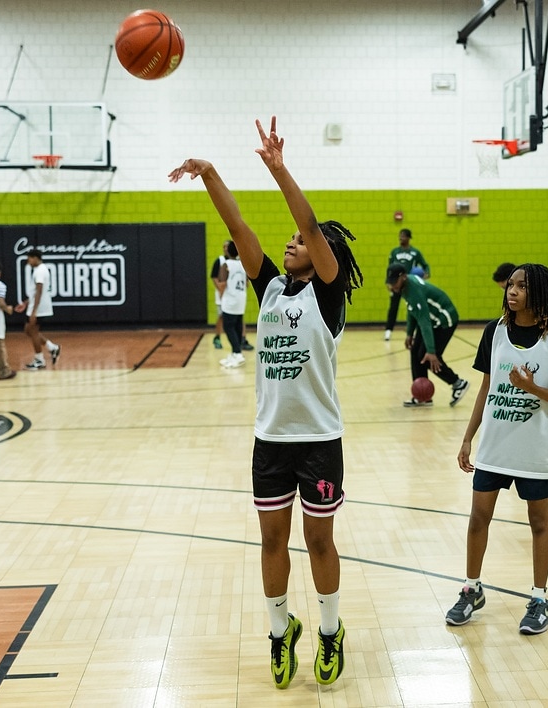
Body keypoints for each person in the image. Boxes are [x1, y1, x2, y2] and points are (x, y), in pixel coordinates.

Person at [168, 117, 363, 689]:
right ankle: (280, 634)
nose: (291, 241)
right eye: (294, 241)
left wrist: (280, 171)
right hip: (271, 439)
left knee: (319, 539)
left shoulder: (328, 293)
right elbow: (241, 228)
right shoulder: (273, 287)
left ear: (322, 252)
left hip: (320, 439)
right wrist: (211, 175)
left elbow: (305, 221)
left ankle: (331, 629)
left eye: (301, 241)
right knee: (272, 539)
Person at [447, 263, 548, 635]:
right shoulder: (496, 332)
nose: (512, 291)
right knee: (478, 518)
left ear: (538, 293)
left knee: (539, 523)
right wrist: (468, 437)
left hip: (534, 451)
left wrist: (532, 388)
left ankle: (539, 598)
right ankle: (471, 588)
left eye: (521, 286)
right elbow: (487, 387)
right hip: (495, 446)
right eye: (510, 285)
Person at [389, 264, 469, 407]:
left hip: (444, 320)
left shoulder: (414, 291)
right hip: (431, 321)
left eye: (395, 282)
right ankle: (422, 396)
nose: (392, 285)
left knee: (427, 358)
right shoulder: (405, 286)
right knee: (416, 352)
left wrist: (431, 351)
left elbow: (425, 322)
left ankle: (458, 383)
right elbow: (412, 310)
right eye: (390, 282)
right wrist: (409, 333)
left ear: (403, 277)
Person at [384, 228, 430, 341]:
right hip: (396, 284)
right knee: (393, 308)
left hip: (409, 285)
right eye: (400, 236)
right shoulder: (395, 252)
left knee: (413, 307)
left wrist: (426, 273)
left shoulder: (415, 252)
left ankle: (414, 330)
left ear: (409, 238)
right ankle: (388, 331)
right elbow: (389, 268)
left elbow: (425, 265)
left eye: (403, 236)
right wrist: (388, 282)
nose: (401, 238)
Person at [21, 249, 62, 371]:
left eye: (29, 258)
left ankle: (39, 360)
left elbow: (39, 291)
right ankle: (52, 348)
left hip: (39, 307)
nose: (28, 261)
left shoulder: (40, 271)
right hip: (35, 305)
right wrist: (26, 302)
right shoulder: (40, 270)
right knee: (28, 330)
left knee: (33, 331)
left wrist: (34, 311)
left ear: (35, 258)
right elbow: (36, 291)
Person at [218, 240, 249, 368]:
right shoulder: (243, 264)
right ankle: (235, 353)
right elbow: (247, 283)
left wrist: (221, 295)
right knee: (237, 326)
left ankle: (237, 353)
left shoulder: (225, 264)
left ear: (228, 251)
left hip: (230, 300)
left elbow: (222, 283)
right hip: (241, 298)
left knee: (228, 327)